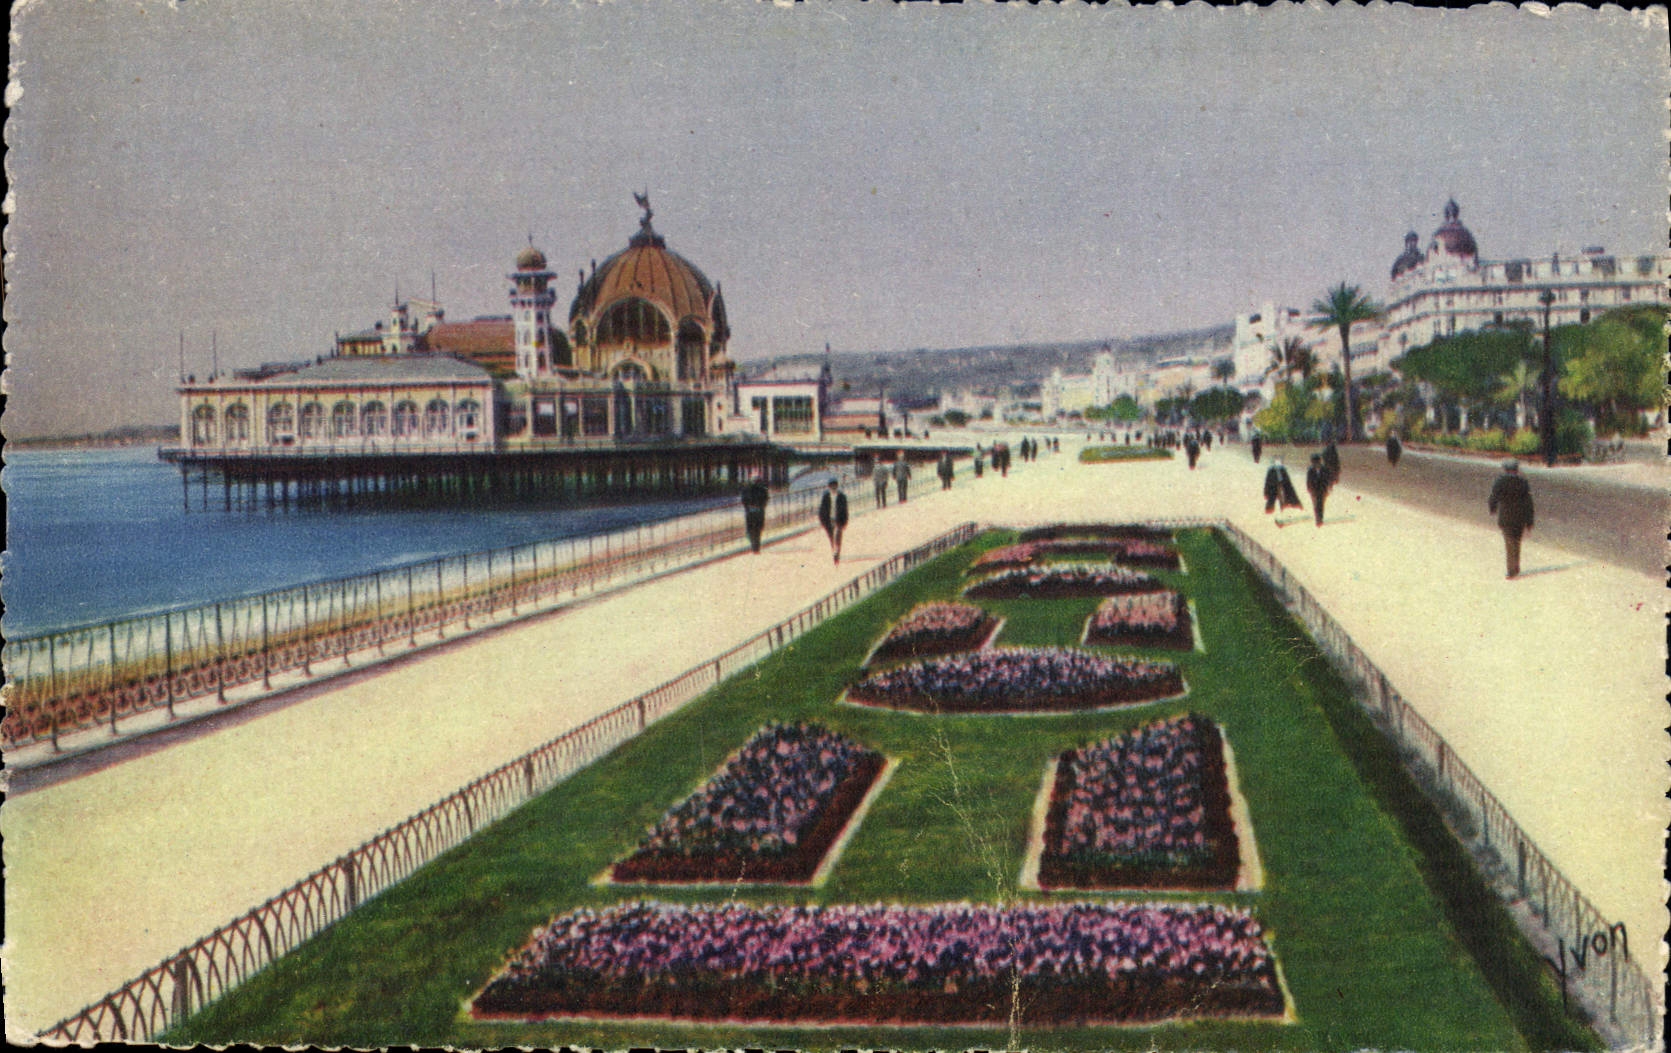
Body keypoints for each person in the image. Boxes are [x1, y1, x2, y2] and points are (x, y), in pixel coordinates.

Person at [1488, 459, 1534, 579]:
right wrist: (1530, 521)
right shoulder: (1523, 482)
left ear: (1505, 469)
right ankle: (1516, 566)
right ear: (1516, 469)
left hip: (1506, 516)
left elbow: (1493, 497)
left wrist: (1492, 509)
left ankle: (1511, 570)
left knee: (1509, 543)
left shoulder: (1500, 481)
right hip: (1520, 517)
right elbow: (1528, 503)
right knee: (1517, 542)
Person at [817, 477, 849, 563]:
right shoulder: (826, 497)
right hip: (828, 520)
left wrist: (845, 521)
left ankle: (837, 552)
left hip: (839, 520)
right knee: (831, 537)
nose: (833, 487)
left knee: (838, 536)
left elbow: (845, 510)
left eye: (834, 485)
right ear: (829, 487)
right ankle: (834, 550)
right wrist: (822, 520)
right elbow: (822, 509)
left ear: (837, 486)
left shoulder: (842, 496)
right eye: (831, 486)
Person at [740, 476, 769, 553]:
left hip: (750, 511)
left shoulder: (746, 489)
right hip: (759, 511)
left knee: (751, 529)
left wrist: (747, 507)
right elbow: (766, 499)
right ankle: (756, 546)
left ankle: (754, 545)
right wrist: (762, 507)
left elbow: (743, 500)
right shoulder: (763, 489)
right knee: (758, 529)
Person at [1305, 453, 1333, 527]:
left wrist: (1328, 489)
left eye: (1317, 462)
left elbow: (1328, 480)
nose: (1316, 464)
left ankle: (1320, 519)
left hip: (1322, 490)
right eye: (1314, 462)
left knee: (1321, 505)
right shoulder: (1310, 470)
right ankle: (1318, 519)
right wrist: (1309, 489)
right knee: (1316, 505)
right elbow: (1308, 481)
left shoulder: (1325, 469)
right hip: (1314, 490)